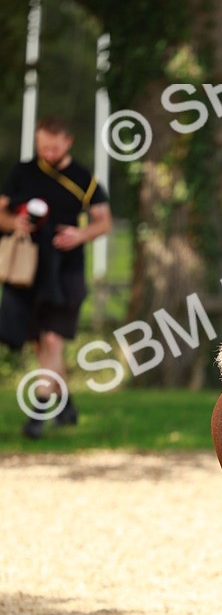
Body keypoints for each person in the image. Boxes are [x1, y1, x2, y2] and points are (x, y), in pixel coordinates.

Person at [0, 115, 112, 438]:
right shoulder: (22, 172)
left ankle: (38, 412)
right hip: (29, 271)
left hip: (67, 272)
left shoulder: (83, 179)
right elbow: (2, 212)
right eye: (41, 147)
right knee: (41, 345)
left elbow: (103, 222)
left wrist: (80, 235)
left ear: (68, 142)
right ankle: (66, 407)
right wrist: (14, 224)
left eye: (53, 147)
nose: (46, 153)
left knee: (52, 340)